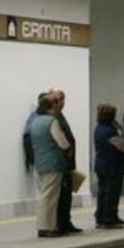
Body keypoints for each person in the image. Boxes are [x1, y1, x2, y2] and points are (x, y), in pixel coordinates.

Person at [28, 94, 70, 237]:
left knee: (44, 196)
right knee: (50, 197)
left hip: (40, 163)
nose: (59, 106)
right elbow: (62, 143)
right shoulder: (52, 121)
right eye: (57, 104)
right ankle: (47, 227)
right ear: (53, 106)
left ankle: (43, 226)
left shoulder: (35, 122)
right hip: (53, 163)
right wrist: (67, 146)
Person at [48, 88, 81, 234]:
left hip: (68, 162)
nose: (61, 103)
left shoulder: (60, 116)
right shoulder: (52, 118)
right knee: (60, 196)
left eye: (63, 99)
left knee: (67, 195)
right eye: (58, 99)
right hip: (60, 162)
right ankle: (60, 223)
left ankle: (66, 221)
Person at [94, 104, 124, 229]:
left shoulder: (98, 128)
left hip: (101, 164)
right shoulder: (110, 131)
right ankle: (109, 218)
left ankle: (101, 217)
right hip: (112, 165)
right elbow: (123, 147)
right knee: (112, 192)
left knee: (102, 192)